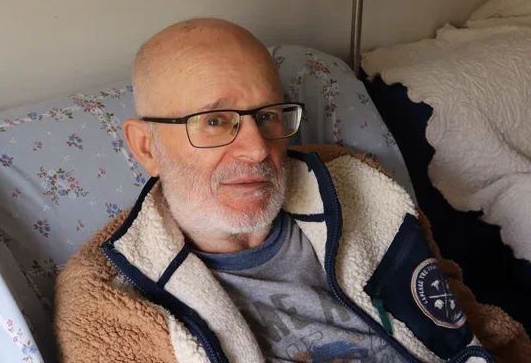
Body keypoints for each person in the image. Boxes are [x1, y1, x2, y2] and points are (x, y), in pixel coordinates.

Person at [54, 19, 501, 363]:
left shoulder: (357, 185)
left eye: (268, 115)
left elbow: (462, 312)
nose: (257, 149)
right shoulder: (110, 302)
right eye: (215, 121)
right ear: (147, 147)